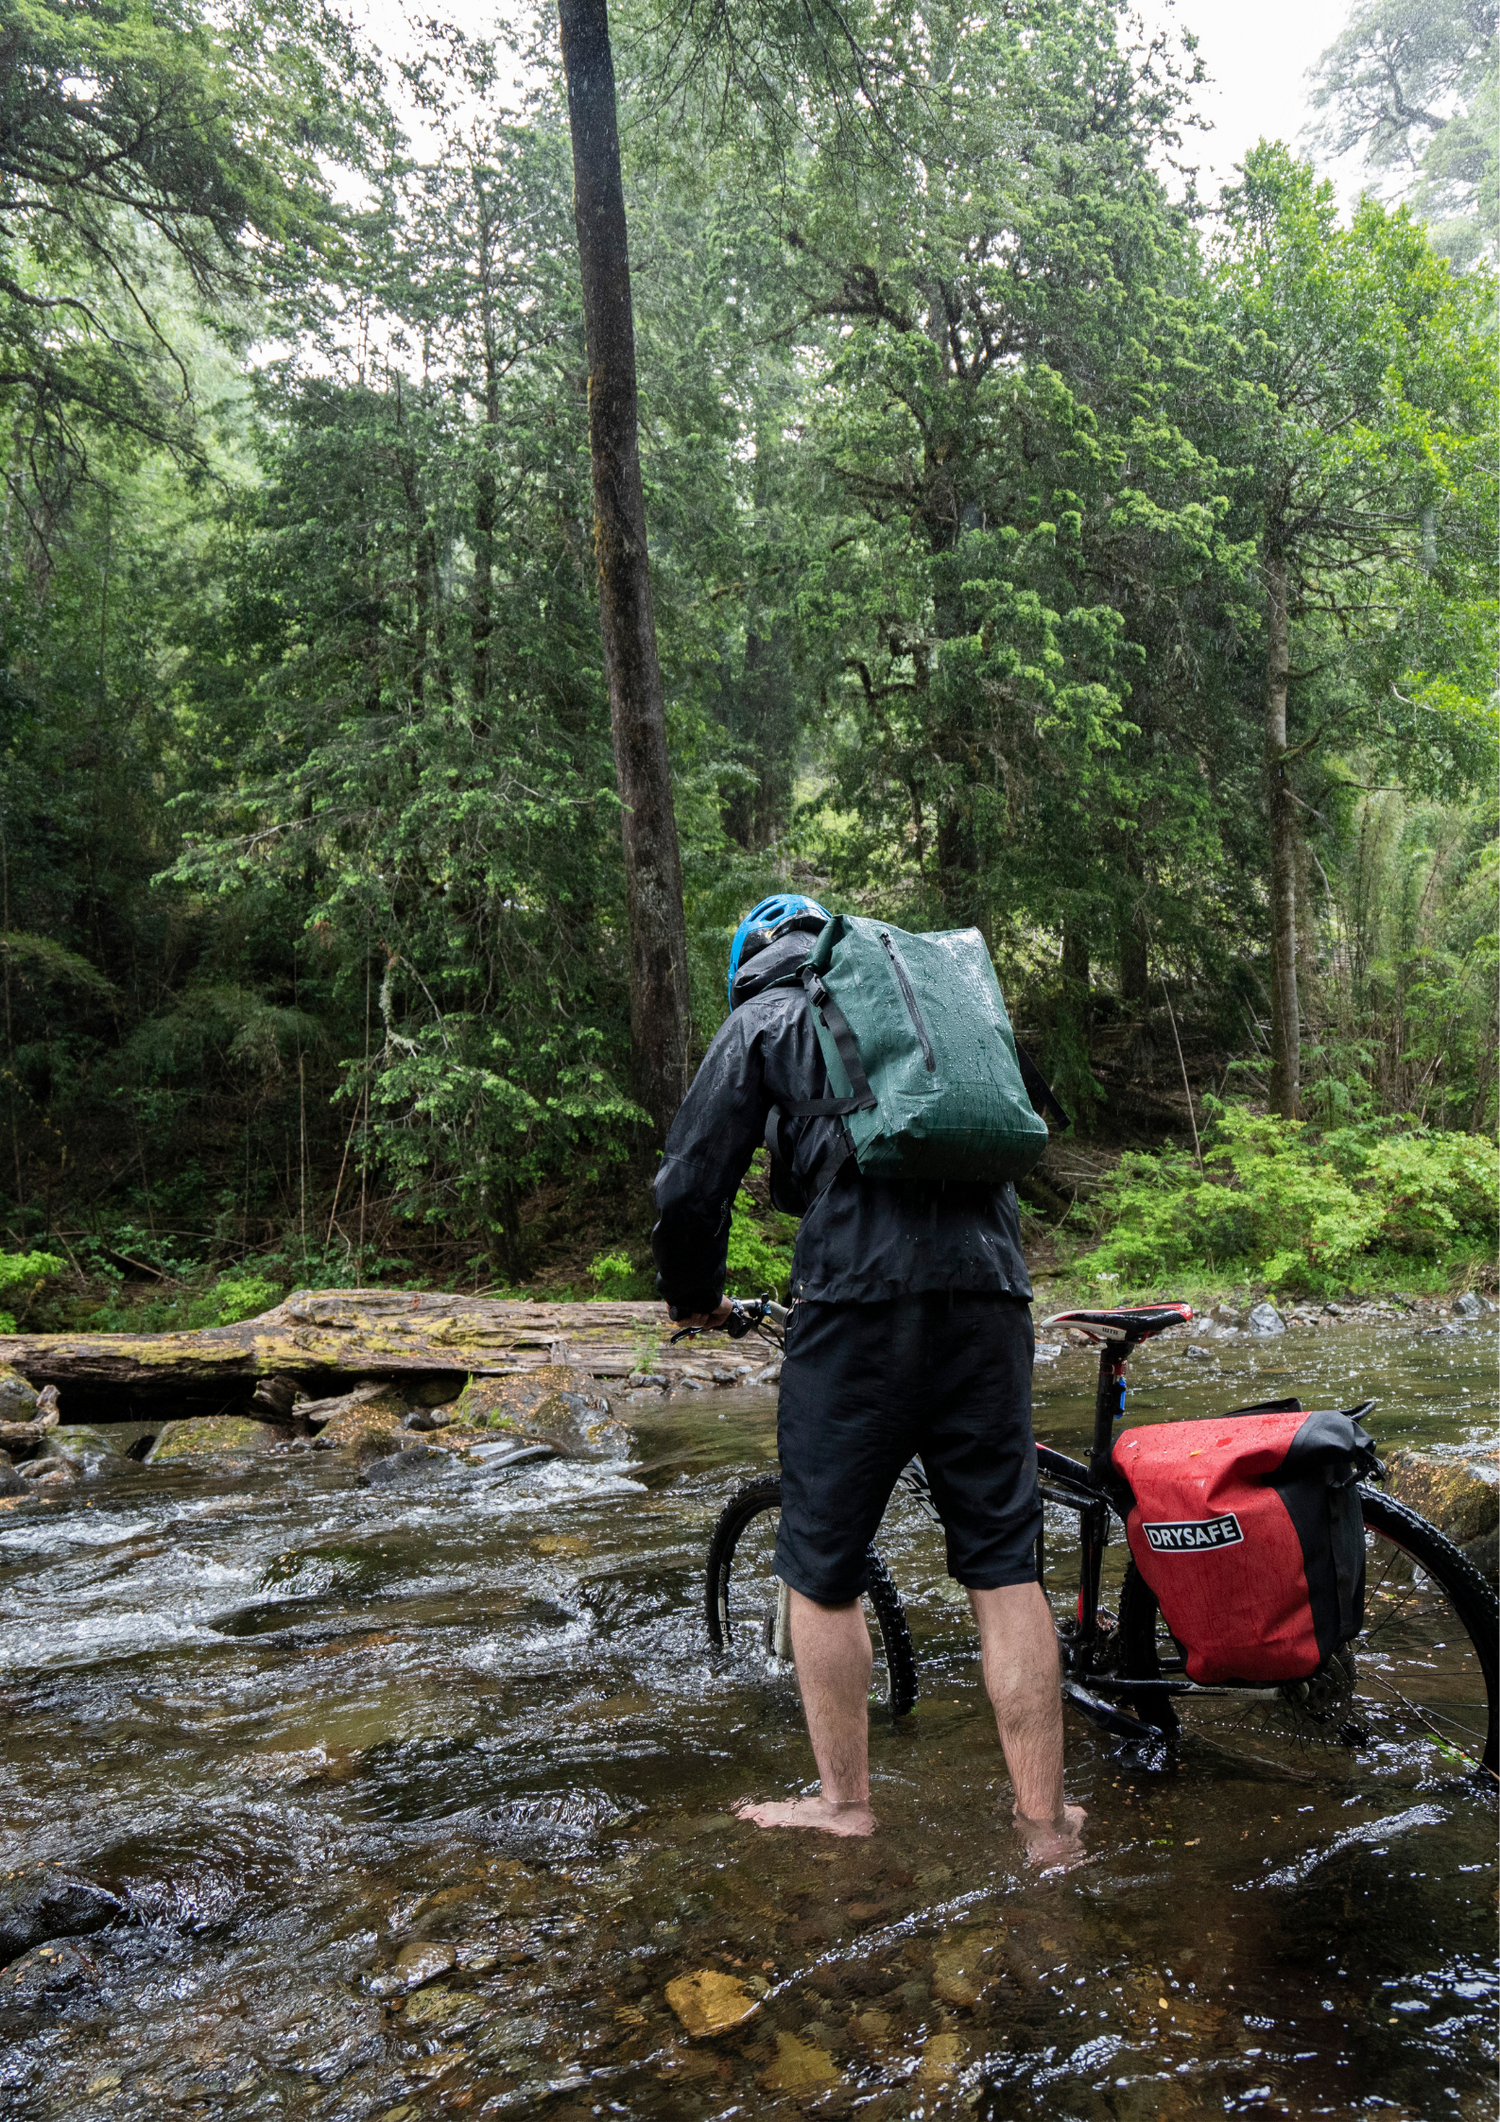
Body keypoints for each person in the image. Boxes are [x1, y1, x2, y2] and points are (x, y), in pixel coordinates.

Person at [651, 895, 1085, 1863]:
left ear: (749, 964)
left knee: (821, 1566)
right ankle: (1046, 1827)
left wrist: (692, 1297)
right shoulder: (922, 1006)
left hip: (857, 1299)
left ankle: (844, 1804)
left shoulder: (763, 1015)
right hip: (991, 1292)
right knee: (1007, 1567)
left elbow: (692, 1180)